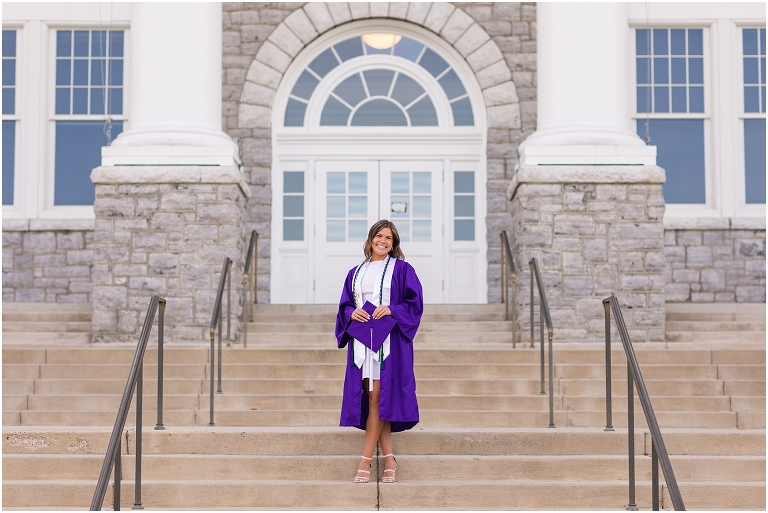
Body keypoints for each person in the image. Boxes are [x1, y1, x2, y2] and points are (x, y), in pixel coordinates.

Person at [335, 219, 423, 484]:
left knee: (377, 398)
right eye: (379, 236)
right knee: (375, 398)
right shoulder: (355, 272)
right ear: (371, 238)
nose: (383, 241)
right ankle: (390, 459)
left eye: (389, 238)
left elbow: (415, 302)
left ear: (394, 243)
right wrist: (353, 312)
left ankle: (365, 460)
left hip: (390, 344)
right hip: (363, 343)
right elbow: (345, 306)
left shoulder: (402, 270)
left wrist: (393, 309)